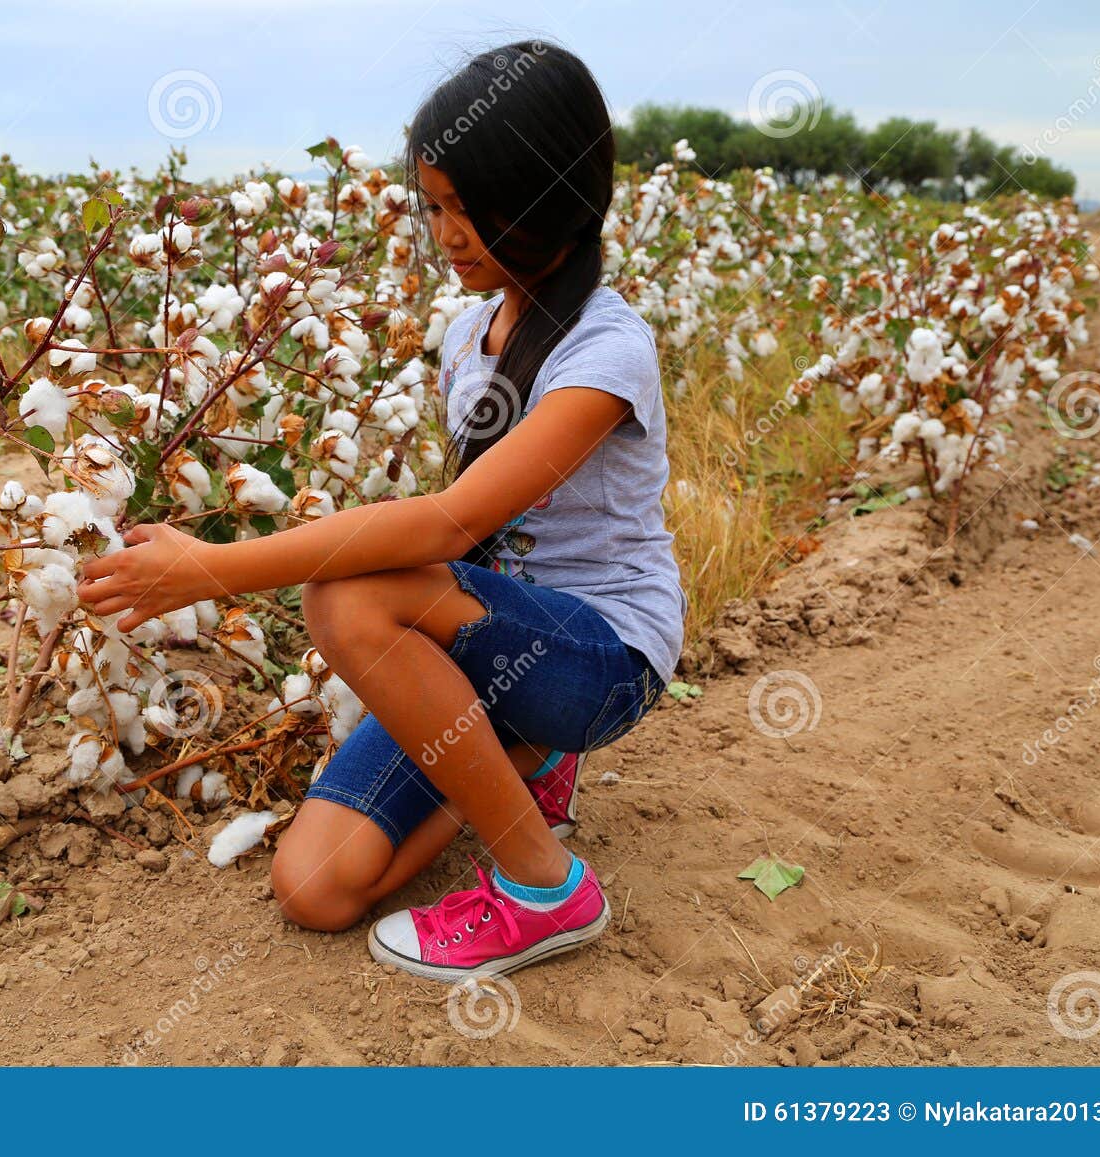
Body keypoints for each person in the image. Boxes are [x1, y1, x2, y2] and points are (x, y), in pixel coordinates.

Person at [78, 40, 685, 982]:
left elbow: (446, 526)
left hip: (602, 657)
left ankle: (542, 886)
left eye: (468, 208)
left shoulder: (607, 352)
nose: (445, 232)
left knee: (348, 600)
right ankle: (521, 759)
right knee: (313, 886)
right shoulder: (466, 334)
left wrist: (210, 567)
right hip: (489, 644)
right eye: (432, 206)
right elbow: (462, 543)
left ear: (548, 195)